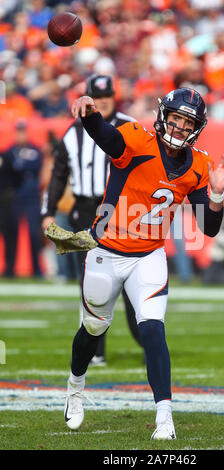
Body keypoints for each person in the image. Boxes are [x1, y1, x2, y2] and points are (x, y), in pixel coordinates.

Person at [60, 87, 224, 440]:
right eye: (176, 118)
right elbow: (107, 137)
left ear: (197, 127)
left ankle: (164, 417)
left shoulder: (199, 164)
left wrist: (216, 196)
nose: (180, 126)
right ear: (163, 116)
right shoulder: (137, 140)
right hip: (106, 250)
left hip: (149, 255)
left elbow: (209, 228)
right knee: (94, 329)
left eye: (188, 122)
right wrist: (91, 114)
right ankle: (75, 387)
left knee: (153, 328)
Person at [41, 74, 143, 366]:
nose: (103, 101)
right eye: (97, 97)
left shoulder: (129, 126)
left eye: (107, 95)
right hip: (86, 210)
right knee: (92, 282)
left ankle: (146, 338)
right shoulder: (73, 132)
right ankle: (95, 349)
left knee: (128, 278)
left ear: (114, 95)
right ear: (89, 97)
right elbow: (59, 174)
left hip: (122, 210)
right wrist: (47, 212)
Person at [5, 119, 43, 277]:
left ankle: (37, 269)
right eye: (19, 131)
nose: (21, 134)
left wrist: (20, 166)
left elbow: (35, 166)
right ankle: (9, 270)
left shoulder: (35, 149)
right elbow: (9, 169)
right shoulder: (9, 151)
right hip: (15, 196)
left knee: (34, 234)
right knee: (11, 234)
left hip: (31, 196)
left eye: (23, 131)